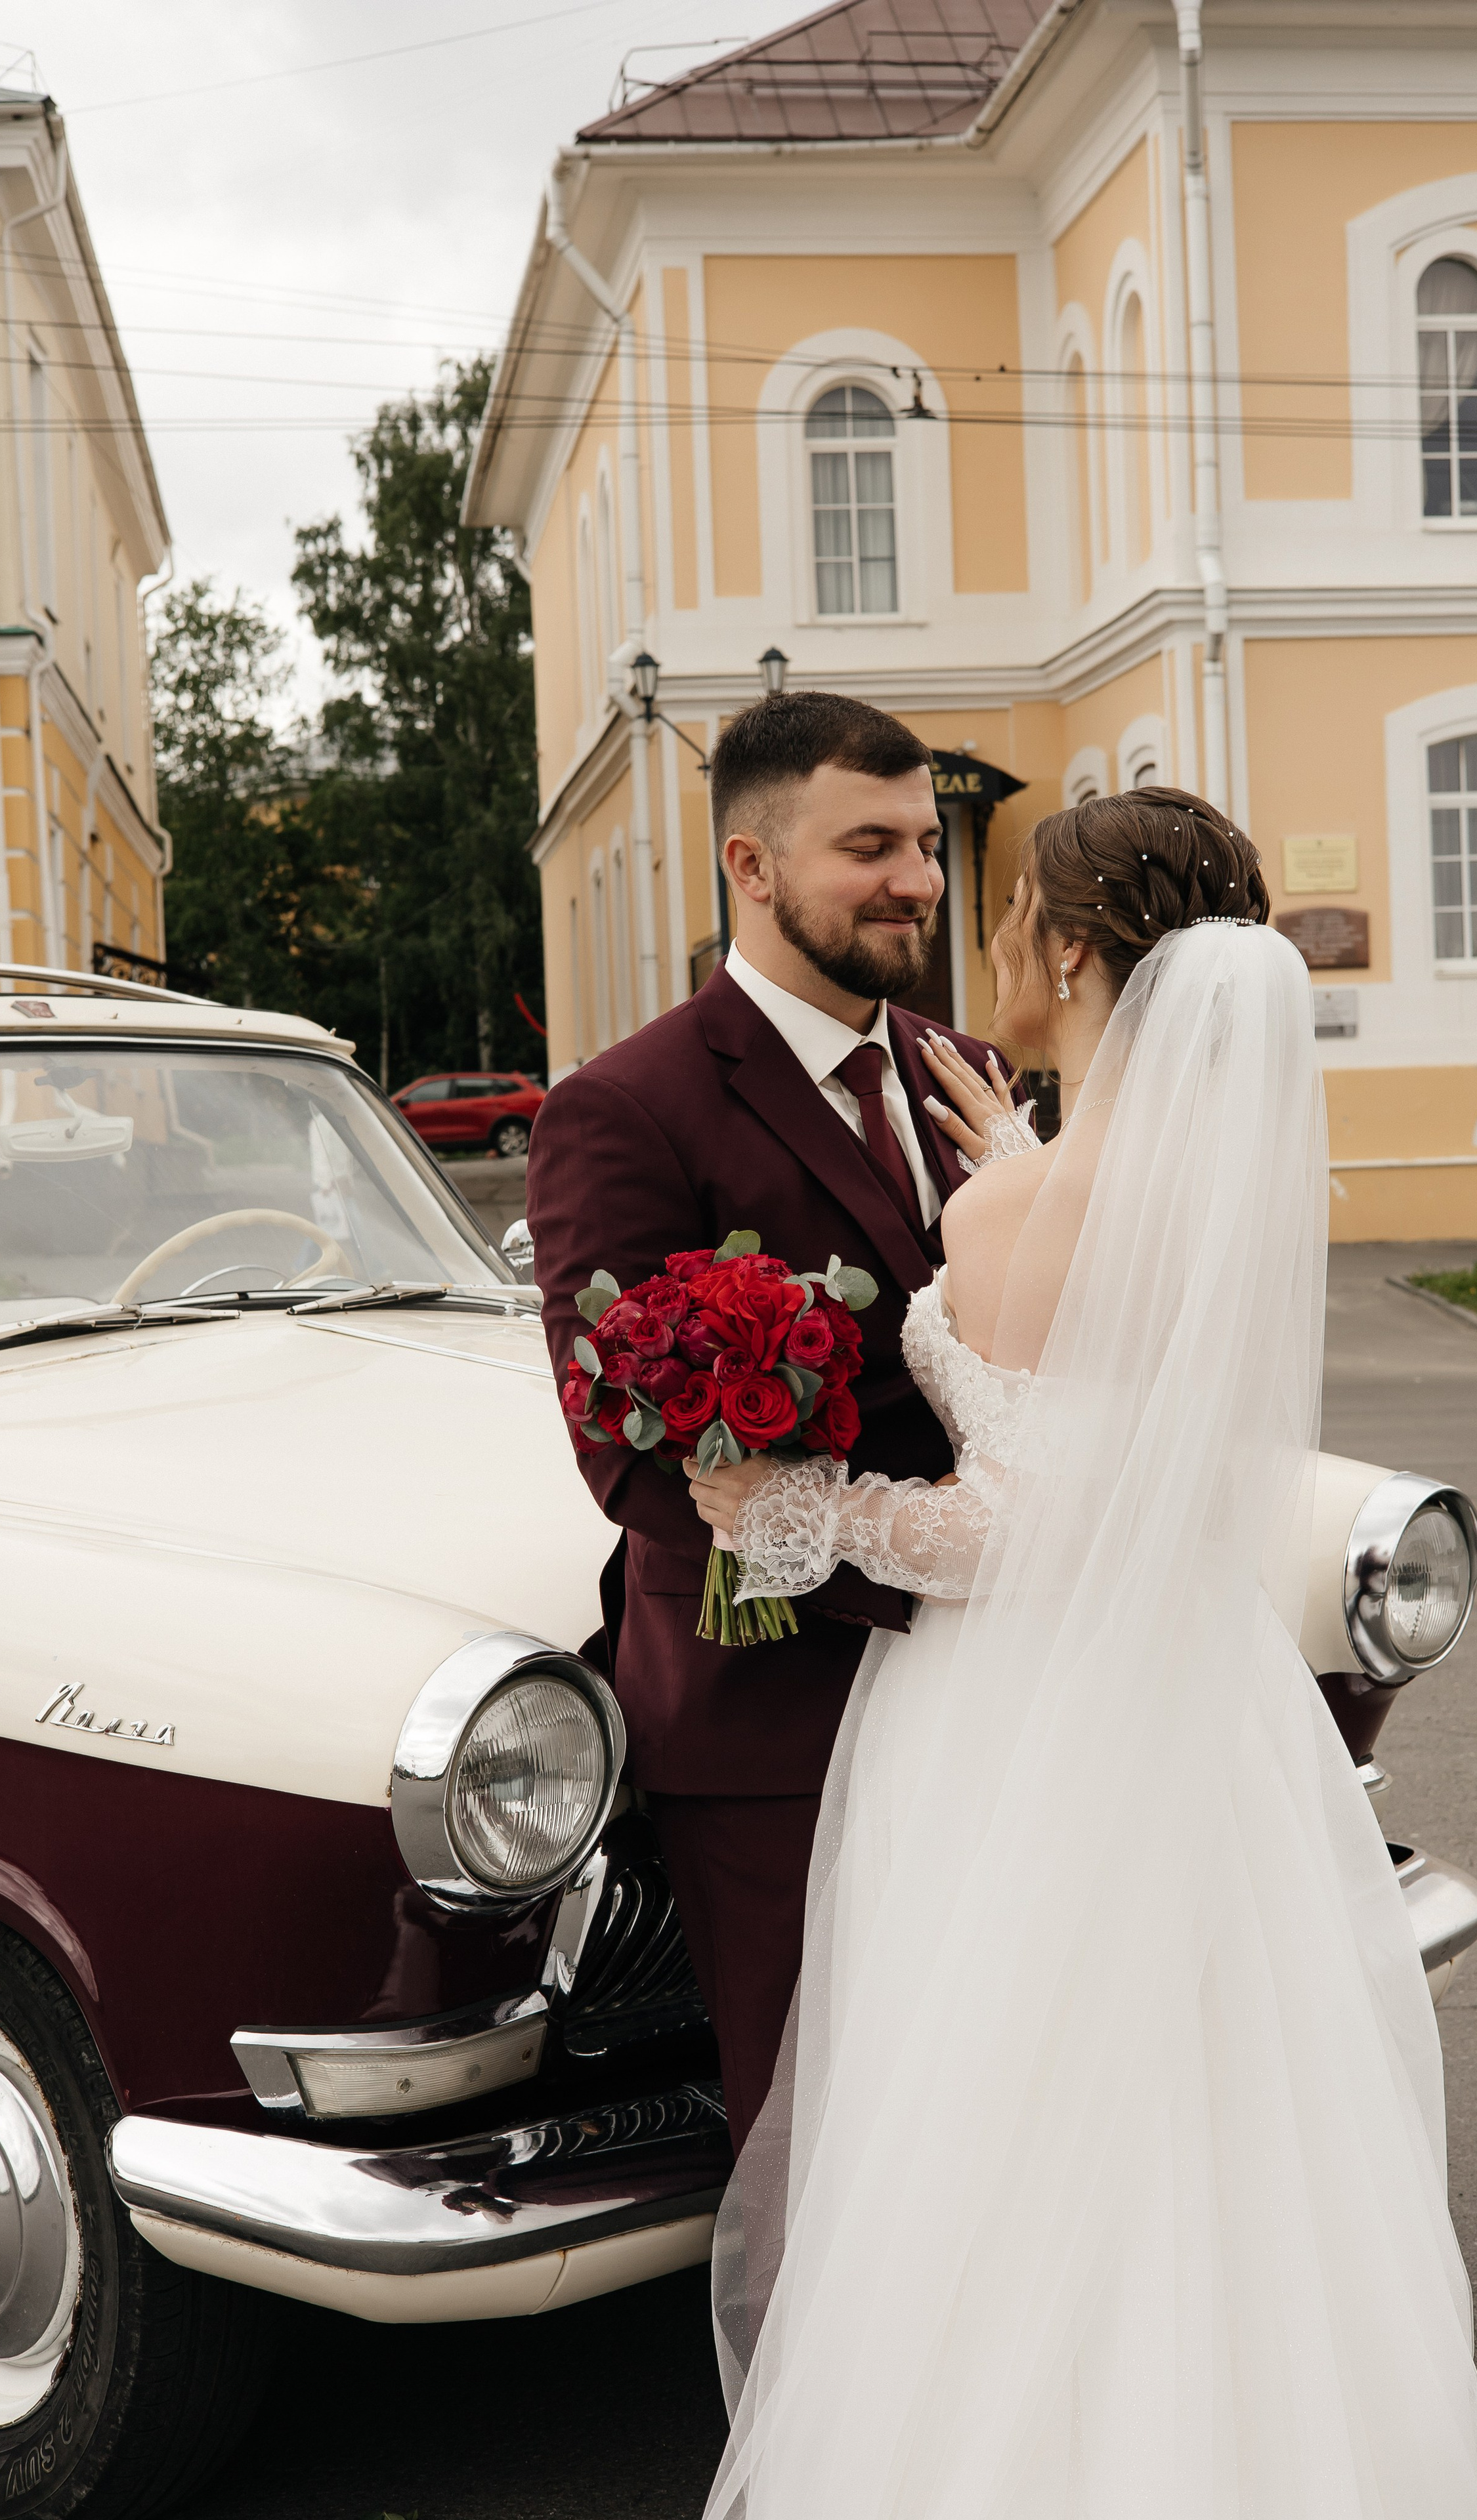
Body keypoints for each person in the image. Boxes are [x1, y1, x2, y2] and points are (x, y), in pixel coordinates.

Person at [687, 789, 1477, 2519]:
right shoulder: (1217, 1183)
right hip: (1209, 1710)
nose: (979, 935)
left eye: (1007, 911)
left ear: (1066, 949)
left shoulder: (1024, 1214)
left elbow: (1017, 1530)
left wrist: (787, 1507)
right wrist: (1032, 1168)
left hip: (1017, 1721)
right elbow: (1124, 1402)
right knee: (1220, 2133)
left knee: (1009, 2141)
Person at [523, 690, 1030, 2153]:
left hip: (995, 1693)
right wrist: (937, 1563)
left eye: (924, 844)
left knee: (987, 2104)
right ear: (749, 867)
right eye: (867, 845)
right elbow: (630, 1453)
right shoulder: (627, 1109)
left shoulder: (970, 1080)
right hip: (774, 1720)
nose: (916, 882)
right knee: (820, 2131)